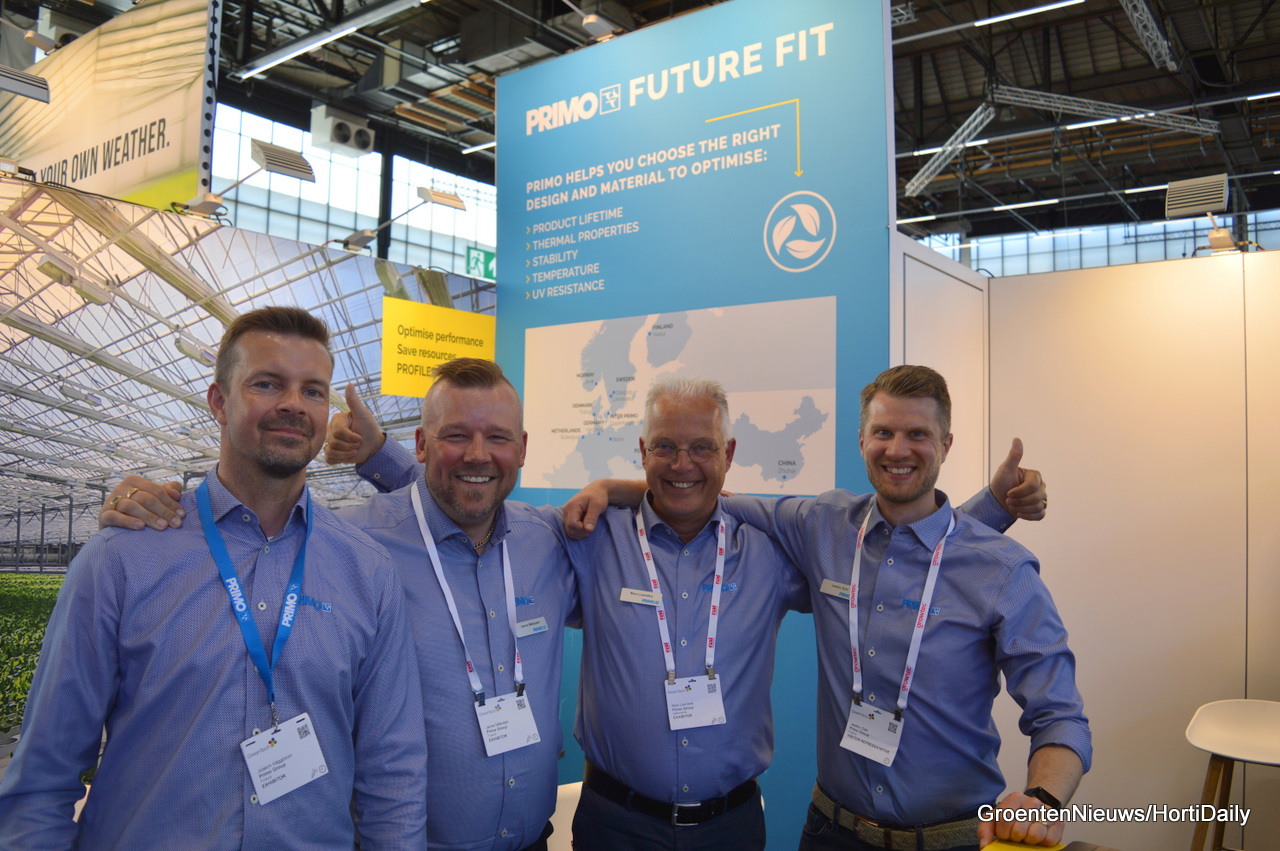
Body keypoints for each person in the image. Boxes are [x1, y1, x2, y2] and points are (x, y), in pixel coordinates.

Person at [324, 375, 1047, 850]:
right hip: (615, 824)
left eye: (701, 448)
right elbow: (473, 506)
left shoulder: (772, 551)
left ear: (727, 454)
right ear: (643, 451)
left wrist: (990, 512)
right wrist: (383, 456)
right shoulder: (585, 537)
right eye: (665, 447)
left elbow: (898, 561)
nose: (682, 464)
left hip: (729, 827)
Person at [98, 357, 577, 851]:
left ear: (522, 448)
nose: (478, 454)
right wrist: (150, 513)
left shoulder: (548, 540)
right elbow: (248, 543)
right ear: (421, 444)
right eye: (455, 435)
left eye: (498, 437)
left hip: (534, 840)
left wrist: (616, 489)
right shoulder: (351, 544)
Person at [0, 307, 427, 849]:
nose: (294, 404)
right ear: (219, 402)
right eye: (267, 383)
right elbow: (42, 777)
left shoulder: (367, 571)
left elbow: (393, 771)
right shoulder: (121, 559)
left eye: (313, 391)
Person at [701, 365, 1089, 850]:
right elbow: (709, 501)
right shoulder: (823, 524)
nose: (898, 450)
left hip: (951, 839)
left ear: (946, 444)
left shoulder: (1003, 570)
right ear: (862, 440)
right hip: (831, 833)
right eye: (883, 432)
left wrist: (1042, 799)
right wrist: (622, 491)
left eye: (917, 434)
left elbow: (1060, 716)